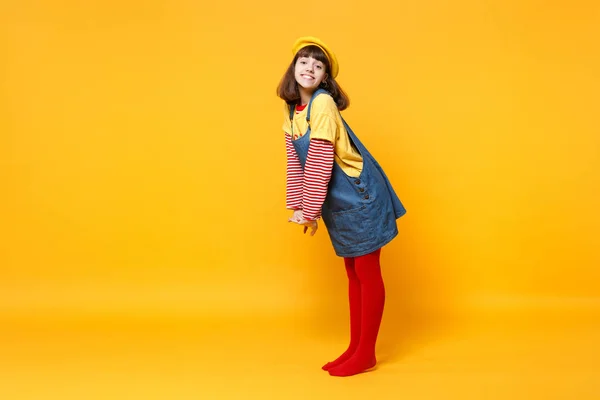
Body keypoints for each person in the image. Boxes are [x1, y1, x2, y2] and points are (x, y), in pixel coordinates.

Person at [276, 36, 407, 377]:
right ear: (293, 68)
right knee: (352, 272)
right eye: (304, 61)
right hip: (336, 199)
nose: (310, 68)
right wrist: (298, 206)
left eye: (319, 66)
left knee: (366, 271)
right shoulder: (293, 111)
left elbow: (319, 160)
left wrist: (311, 208)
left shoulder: (322, 105)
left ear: (325, 79)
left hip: (359, 195)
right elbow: (295, 162)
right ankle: (355, 347)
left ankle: (366, 353)